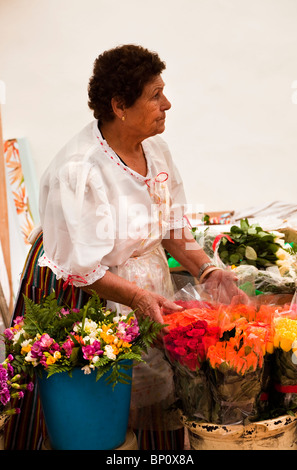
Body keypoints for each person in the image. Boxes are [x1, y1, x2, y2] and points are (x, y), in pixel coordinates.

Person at [5, 44, 246, 450]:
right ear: (119, 105)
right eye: (155, 95)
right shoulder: (78, 170)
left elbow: (172, 224)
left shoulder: (155, 149)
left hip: (144, 285)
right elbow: (82, 269)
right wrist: (136, 297)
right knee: (102, 415)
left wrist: (208, 270)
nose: (167, 103)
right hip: (83, 289)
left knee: (161, 392)